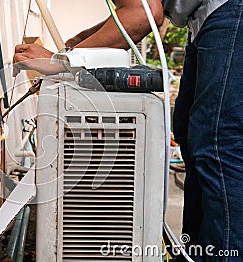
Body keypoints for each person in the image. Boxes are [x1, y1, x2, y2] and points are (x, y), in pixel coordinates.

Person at [13, 0, 243, 261]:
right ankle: (198, 253)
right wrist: (76, 46)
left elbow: (143, 14)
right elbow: (134, 11)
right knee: (191, 133)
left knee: (217, 144)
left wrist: (60, 61)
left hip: (230, 10)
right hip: (206, 19)